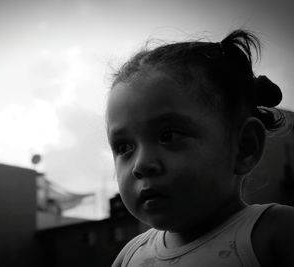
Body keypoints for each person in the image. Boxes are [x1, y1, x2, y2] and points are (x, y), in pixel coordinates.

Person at [106, 29, 294, 266]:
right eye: (123, 147)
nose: (141, 165)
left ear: (244, 147)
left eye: (168, 136)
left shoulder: (273, 233)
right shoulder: (130, 256)